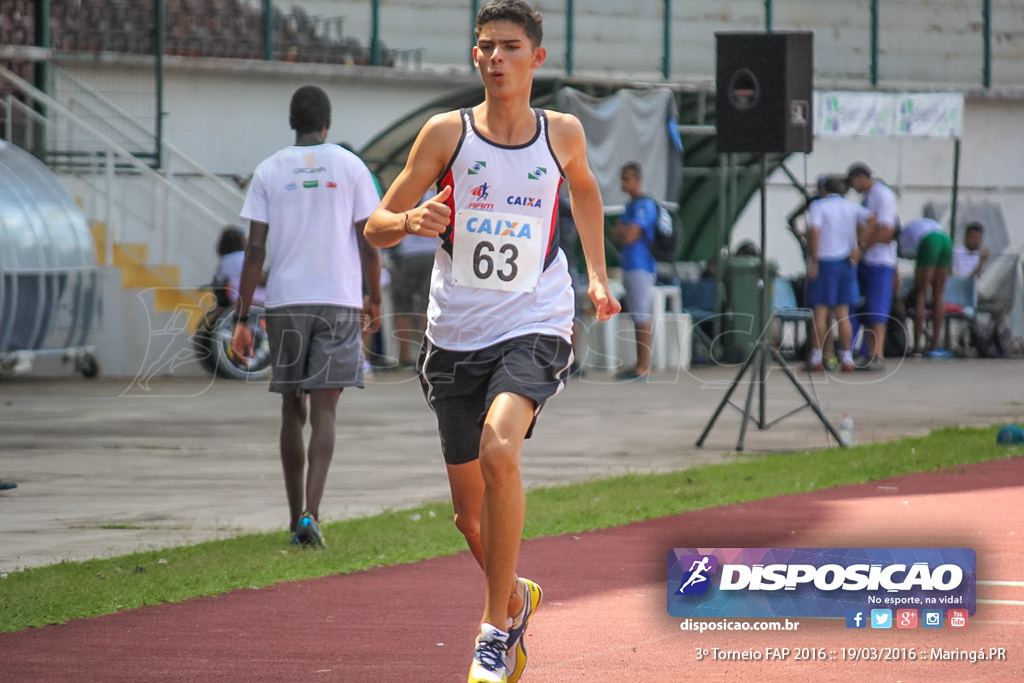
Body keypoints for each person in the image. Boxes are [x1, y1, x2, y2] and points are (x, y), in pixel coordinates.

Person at [363, 3, 620, 681]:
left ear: (536, 58)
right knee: (467, 518)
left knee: (500, 448)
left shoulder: (561, 133)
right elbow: (375, 223)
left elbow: (587, 195)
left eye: (509, 47)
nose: (495, 58)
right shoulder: (446, 134)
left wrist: (596, 275)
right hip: (454, 334)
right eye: (485, 48)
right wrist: (412, 218)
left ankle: (493, 630)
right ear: (474, 59)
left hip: (536, 317)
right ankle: (516, 594)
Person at [231, 85, 383, 548]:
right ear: (328, 123)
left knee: (291, 408)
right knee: (325, 410)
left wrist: (242, 317)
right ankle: (311, 517)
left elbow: (255, 248)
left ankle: (292, 514)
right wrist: (374, 295)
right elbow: (369, 237)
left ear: (292, 122)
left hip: (285, 302)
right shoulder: (351, 166)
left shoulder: (270, 169)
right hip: (338, 300)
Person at [805, 175, 873, 372]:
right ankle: (847, 358)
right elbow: (872, 219)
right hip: (846, 262)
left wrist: (814, 259)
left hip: (825, 261)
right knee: (843, 313)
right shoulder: (850, 207)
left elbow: (814, 231)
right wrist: (860, 247)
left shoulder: (818, 206)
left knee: (821, 311)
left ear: (824, 189)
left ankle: (817, 357)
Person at [610, 161, 658, 381]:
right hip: (630, 264)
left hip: (641, 265)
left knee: (642, 314)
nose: (623, 183)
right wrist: (625, 231)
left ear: (637, 180)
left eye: (627, 178)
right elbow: (616, 233)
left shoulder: (643, 205)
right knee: (636, 314)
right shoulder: (630, 206)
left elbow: (627, 234)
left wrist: (627, 231)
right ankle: (639, 364)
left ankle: (644, 367)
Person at [847, 163, 898, 367]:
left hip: (880, 262)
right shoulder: (868, 197)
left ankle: (877, 353)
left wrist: (863, 247)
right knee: (866, 310)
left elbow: (886, 231)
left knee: (877, 309)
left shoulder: (882, 196)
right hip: (869, 261)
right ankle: (868, 353)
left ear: (860, 178)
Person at [898, 217, 954, 358]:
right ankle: (935, 344)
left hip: (930, 241)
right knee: (939, 293)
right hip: (946, 240)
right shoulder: (916, 225)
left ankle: (917, 346)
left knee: (920, 294)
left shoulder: (902, 236)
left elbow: (903, 256)